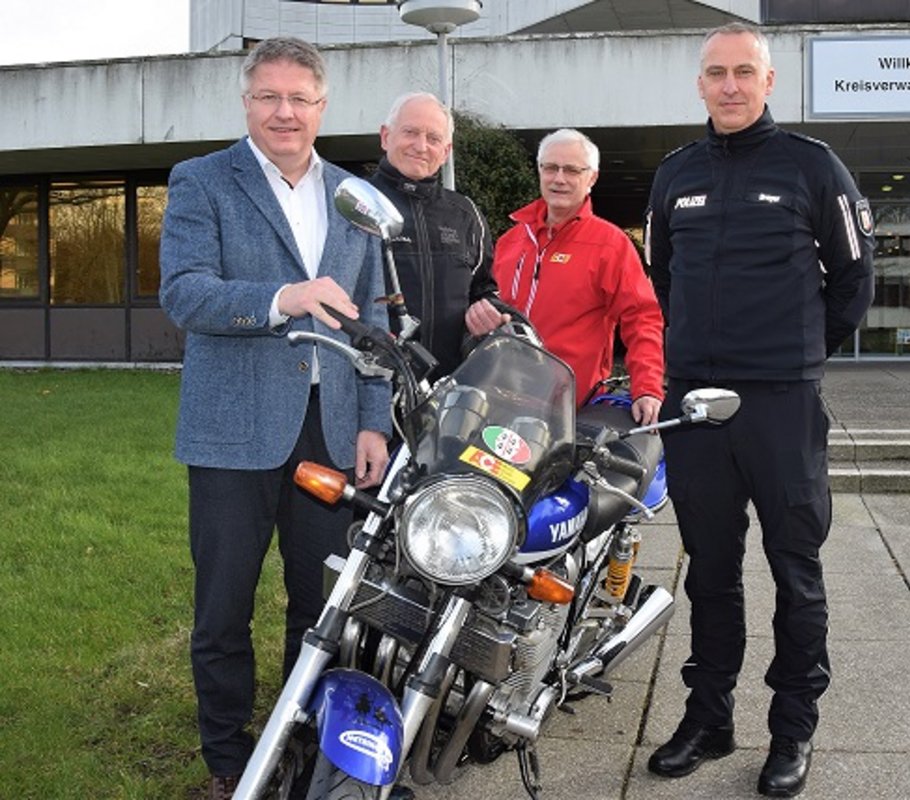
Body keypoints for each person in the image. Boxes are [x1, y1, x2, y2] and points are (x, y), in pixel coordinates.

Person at [644, 23, 874, 798]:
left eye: (746, 72)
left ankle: (792, 730)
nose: (731, 85)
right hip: (697, 408)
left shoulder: (813, 167)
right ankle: (709, 719)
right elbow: (663, 277)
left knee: (794, 570)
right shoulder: (675, 174)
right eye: (717, 73)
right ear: (700, 84)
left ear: (769, 81)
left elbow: (852, 281)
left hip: (781, 404)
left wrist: (795, 355)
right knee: (710, 570)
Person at [158, 37, 392, 800]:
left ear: (322, 106)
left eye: (300, 98)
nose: (284, 111)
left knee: (321, 605)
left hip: (330, 430)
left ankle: (295, 749)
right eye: (269, 96)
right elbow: (185, 293)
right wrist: (281, 297)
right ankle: (229, 761)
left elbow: (376, 323)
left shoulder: (355, 198)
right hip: (232, 433)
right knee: (222, 607)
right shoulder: (201, 182)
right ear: (247, 102)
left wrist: (372, 423)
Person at [493, 128, 665, 423]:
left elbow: (642, 318)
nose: (559, 179)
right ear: (540, 171)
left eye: (572, 170)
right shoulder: (510, 242)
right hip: (502, 402)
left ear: (592, 179)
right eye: (551, 168)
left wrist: (647, 388)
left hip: (571, 410)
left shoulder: (609, 244)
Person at [369, 91, 504, 378]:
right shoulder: (355, 202)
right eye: (410, 132)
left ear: (446, 151)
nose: (421, 146)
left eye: (433, 138)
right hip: (370, 388)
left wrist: (487, 313)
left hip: (449, 393)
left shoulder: (465, 214)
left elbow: (484, 290)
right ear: (385, 136)